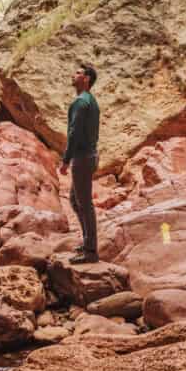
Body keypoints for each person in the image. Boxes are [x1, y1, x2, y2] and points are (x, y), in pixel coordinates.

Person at [59, 64, 100, 264]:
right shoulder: (91, 101)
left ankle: (91, 251)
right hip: (90, 155)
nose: (73, 75)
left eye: (78, 73)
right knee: (75, 201)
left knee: (84, 203)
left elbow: (73, 133)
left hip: (82, 158)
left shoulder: (80, 102)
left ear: (86, 79)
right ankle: (87, 243)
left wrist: (66, 160)